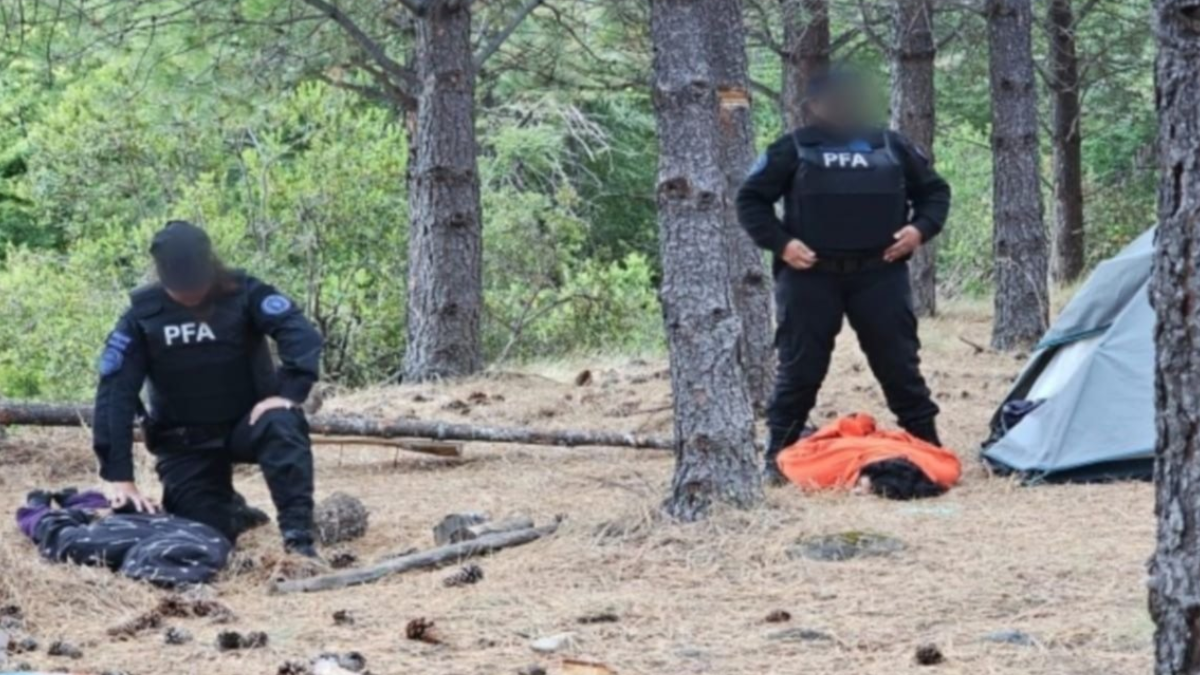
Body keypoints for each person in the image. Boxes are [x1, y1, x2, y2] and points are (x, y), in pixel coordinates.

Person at [736, 71, 952, 486]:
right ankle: (776, 457)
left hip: (880, 273)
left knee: (900, 366)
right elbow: (751, 199)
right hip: (811, 276)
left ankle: (928, 446)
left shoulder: (890, 145)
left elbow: (935, 192)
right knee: (799, 370)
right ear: (814, 106)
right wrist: (781, 244)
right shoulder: (793, 148)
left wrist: (919, 230)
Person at [92, 220, 324, 557]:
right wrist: (120, 477)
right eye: (180, 288)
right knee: (204, 538)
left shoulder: (245, 293)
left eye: (196, 284)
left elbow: (299, 333)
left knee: (282, 422)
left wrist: (287, 393)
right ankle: (232, 510)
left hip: (248, 424)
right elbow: (115, 394)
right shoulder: (142, 317)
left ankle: (298, 538)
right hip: (185, 442)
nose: (189, 294)